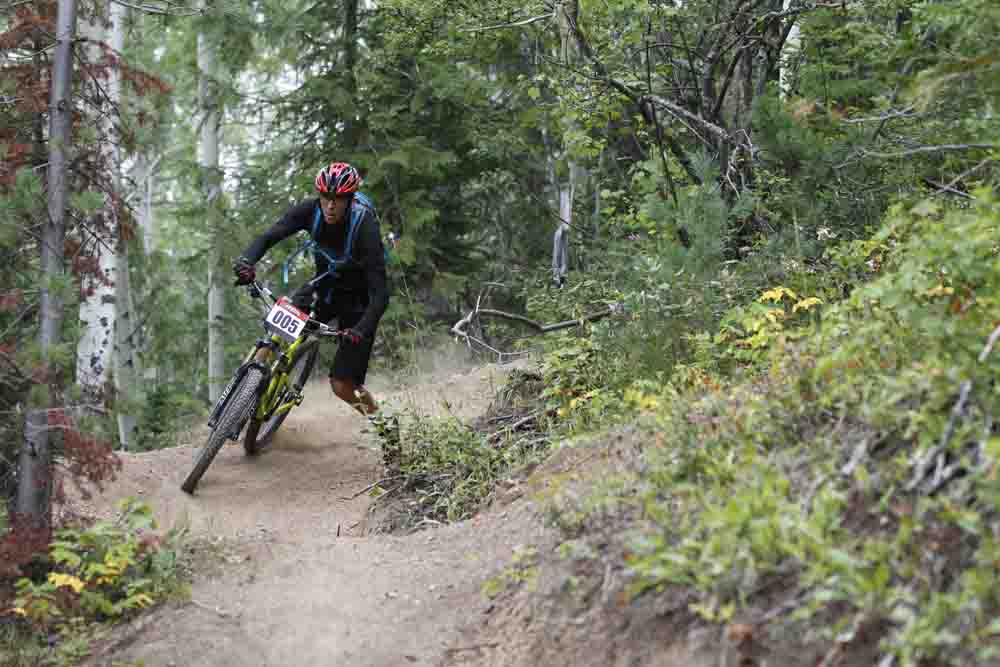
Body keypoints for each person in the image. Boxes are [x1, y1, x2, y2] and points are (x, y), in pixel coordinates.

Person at [233, 162, 398, 461]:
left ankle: (386, 428)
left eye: (338, 200)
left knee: (342, 385)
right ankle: (244, 395)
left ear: (350, 200)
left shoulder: (365, 227)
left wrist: (360, 329)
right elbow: (270, 236)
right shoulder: (310, 210)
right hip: (325, 286)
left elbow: (380, 295)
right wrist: (247, 261)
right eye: (326, 198)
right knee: (275, 333)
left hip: (360, 302)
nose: (330, 206)